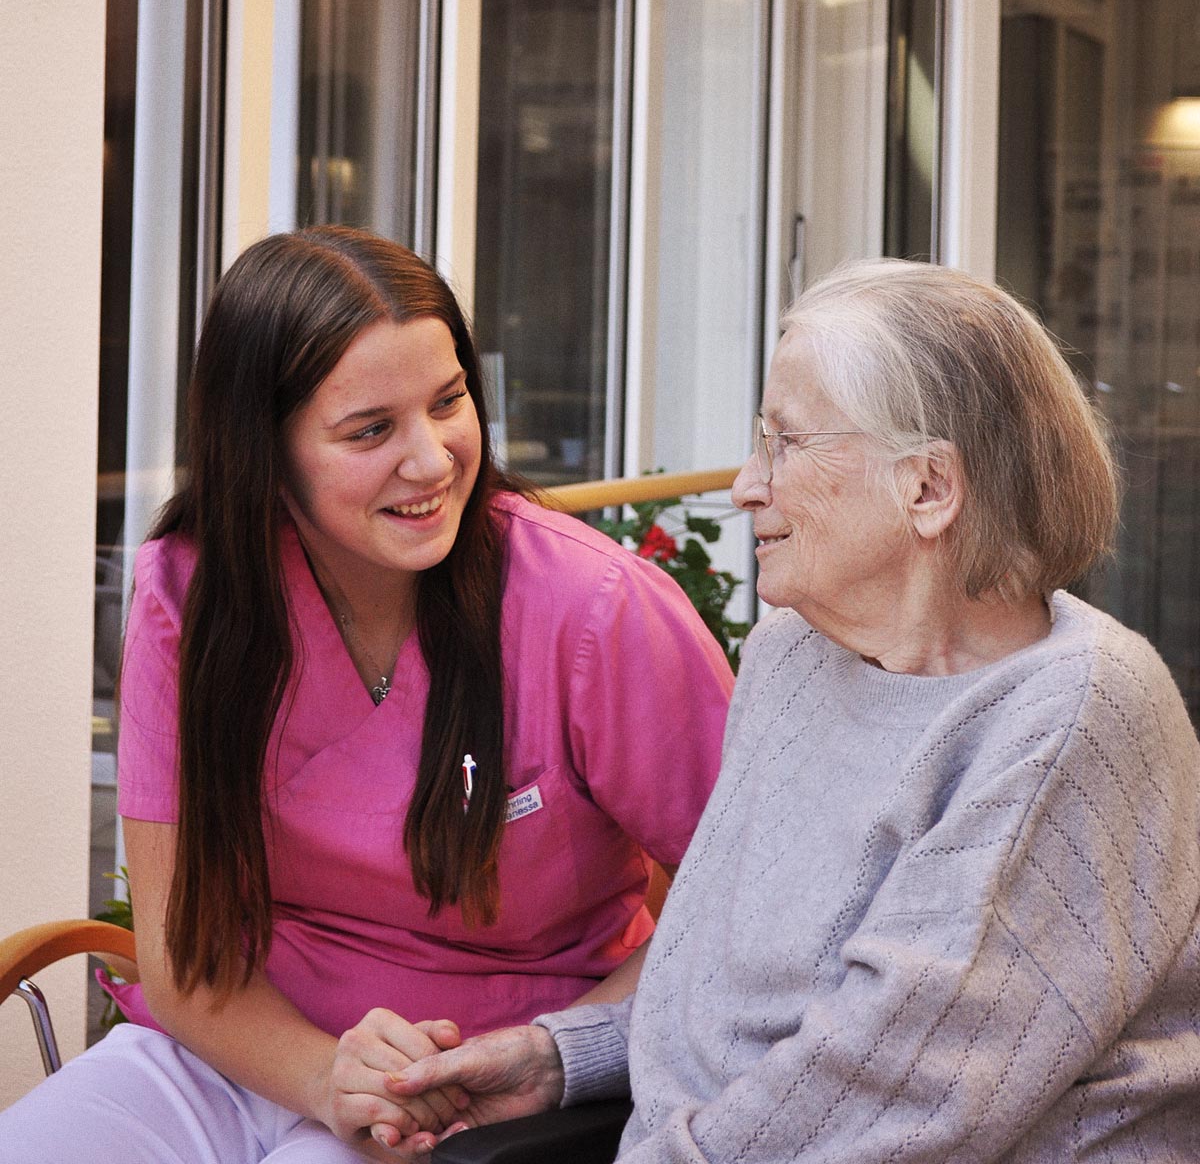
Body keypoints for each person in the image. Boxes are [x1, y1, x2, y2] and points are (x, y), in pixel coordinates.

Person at [389, 259, 1200, 1161]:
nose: (745, 485)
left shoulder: (1073, 715)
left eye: (786, 442)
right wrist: (559, 1060)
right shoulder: (794, 655)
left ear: (927, 489)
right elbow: (730, 984)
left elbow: (889, 1100)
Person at [0, 226, 733, 1163]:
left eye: (449, 401)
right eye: (370, 430)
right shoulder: (194, 595)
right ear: (265, 453)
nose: (430, 461)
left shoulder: (593, 611)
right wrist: (321, 1076)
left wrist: (556, 1053)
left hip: (487, 1095)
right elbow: (183, 962)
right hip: (239, 1051)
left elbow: (759, 905)